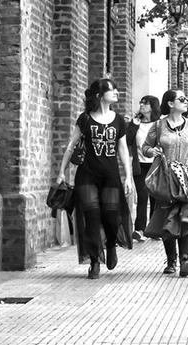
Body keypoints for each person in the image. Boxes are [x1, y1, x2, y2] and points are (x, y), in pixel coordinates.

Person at [56, 78, 133, 279]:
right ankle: (94, 260)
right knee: (91, 216)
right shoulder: (85, 119)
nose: (116, 92)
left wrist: (128, 176)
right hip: (87, 175)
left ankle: (111, 245)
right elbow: (71, 145)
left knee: (110, 215)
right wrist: (61, 171)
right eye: (111, 89)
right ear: (99, 95)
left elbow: (123, 149)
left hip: (111, 176)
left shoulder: (119, 121)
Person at [142, 89, 188, 277]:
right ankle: (171, 260)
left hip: (187, 178)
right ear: (170, 103)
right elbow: (145, 147)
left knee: (186, 218)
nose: (186, 102)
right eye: (181, 99)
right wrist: (152, 152)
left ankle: (185, 258)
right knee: (168, 218)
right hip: (166, 178)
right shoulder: (159, 126)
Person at [126, 95, 161, 241]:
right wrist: (133, 125)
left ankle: (153, 229)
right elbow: (127, 141)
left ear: (153, 106)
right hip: (139, 165)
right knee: (142, 196)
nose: (142, 105)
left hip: (155, 164)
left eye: (145, 104)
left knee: (155, 197)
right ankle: (139, 229)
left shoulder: (159, 124)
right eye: (141, 103)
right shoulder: (136, 123)